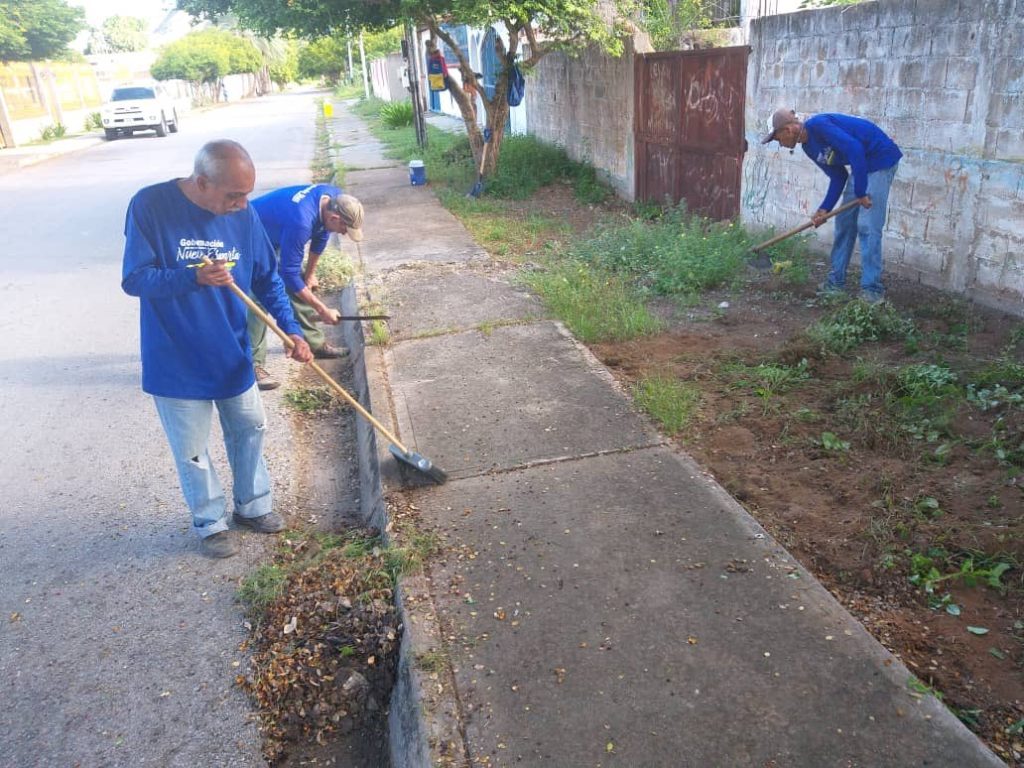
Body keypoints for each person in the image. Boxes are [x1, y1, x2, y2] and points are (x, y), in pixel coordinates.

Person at [121, 140, 313, 559]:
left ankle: (253, 505)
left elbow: (267, 279)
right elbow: (135, 279)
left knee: (250, 427)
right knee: (192, 451)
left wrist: (293, 331)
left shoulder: (244, 217)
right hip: (175, 358)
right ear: (202, 182)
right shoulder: (151, 205)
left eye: (246, 195)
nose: (243, 205)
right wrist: (192, 278)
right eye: (233, 196)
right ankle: (211, 523)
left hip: (232, 352)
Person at [762, 108, 902, 302]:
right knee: (845, 224)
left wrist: (861, 192)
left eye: (777, 139)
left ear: (788, 129)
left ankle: (872, 290)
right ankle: (836, 283)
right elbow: (838, 176)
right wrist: (824, 209)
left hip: (879, 159)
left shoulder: (819, 126)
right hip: (861, 164)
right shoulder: (809, 148)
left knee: (867, 226)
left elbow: (855, 149)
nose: (780, 144)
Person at [247, 184, 365, 390]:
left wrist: (310, 275)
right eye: (345, 229)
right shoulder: (301, 222)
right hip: (249, 233)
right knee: (259, 296)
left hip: (277, 231)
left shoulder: (333, 197)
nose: (345, 234)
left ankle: (313, 343)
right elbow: (288, 275)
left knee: (300, 281)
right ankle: (253, 365)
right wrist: (322, 309)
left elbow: (320, 237)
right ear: (335, 219)